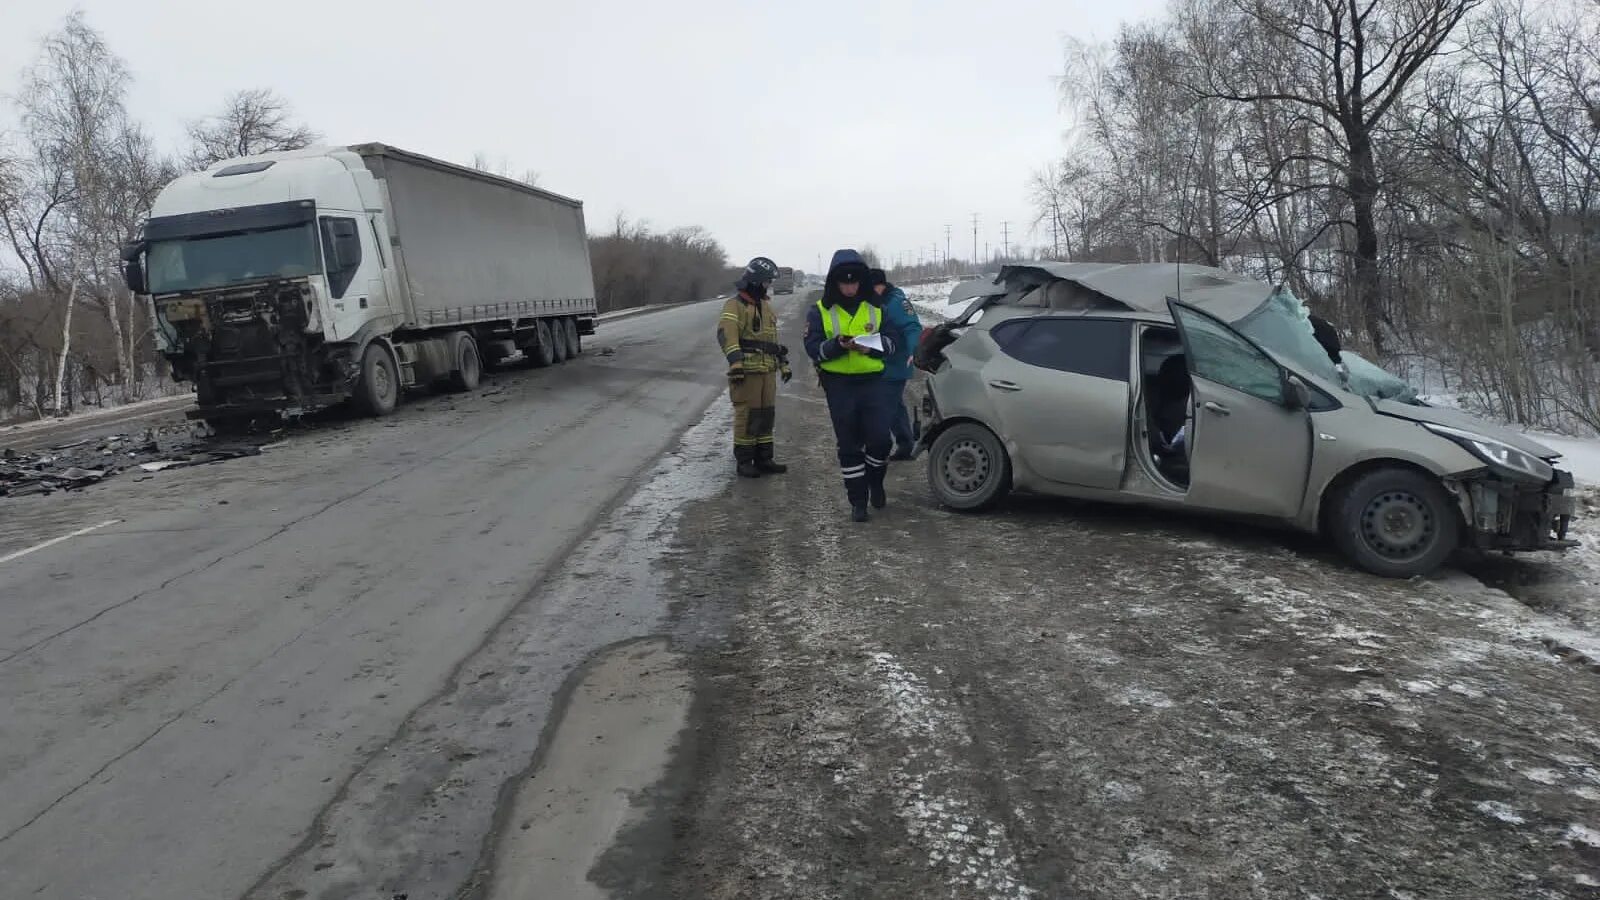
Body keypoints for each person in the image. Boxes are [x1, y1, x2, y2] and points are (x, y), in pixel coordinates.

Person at [804, 249, 896, 522]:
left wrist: (872, 347)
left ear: (862, 281)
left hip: (872, 381)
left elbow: (893, 342)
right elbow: (812, 347)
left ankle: (875, 482)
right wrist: (836, 346)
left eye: (854, 282)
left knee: (880, 440)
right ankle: (858, 501)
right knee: (849, 443)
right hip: (839, 383)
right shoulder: (819, 310)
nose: (849, 287)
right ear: (834, 282)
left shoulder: (876, 307)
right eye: (844, 282)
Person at [717, 256, 792, 478]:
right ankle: (744, 460)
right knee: (747, 415)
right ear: (755, 281)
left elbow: (772, 340)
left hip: (766, 370)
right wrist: (736, 363)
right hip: (747, 372)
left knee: (766, 415)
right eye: (766, 281)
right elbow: (726, 335)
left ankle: (764, 458)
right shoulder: (735, 305)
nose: (769, 285)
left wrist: (783, 364)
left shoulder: (765, 305)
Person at [867, 268, 924, 459]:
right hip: (883, 363)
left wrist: (913, 350)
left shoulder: (897, 302)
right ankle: (906, 444)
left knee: (883, 405)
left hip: (897, 362)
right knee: (894, 406)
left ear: (880, 285)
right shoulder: (877, 302)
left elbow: (912, 327)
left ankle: (881, 449)